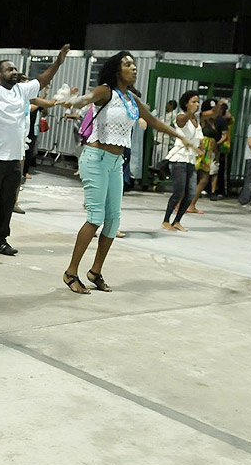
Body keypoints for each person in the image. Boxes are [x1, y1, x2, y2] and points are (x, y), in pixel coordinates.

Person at [60, 51, 196, 294]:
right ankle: (71, 272)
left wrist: (179, 136)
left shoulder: (131, 98)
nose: (133, 68)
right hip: (95, 159)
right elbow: (88, 97)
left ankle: (95, 271)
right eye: (127, 64)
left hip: (115, 162)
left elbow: (153, 121)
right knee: (95, 217)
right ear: (116, 69)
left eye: (134, 64)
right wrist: (76, 101)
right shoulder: (106, 91)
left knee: (113, 221)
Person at [0, 31, 69, 256]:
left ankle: (1, 240)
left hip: (13, 157)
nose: (15, 71)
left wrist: (58, 62)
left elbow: (43, 80)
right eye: (9, 69)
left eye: (15, 69)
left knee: (7, 203)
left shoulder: (21, 91)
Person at [161, 90, 201, 232]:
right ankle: (166, 220)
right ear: (186, 103)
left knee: (190, 193)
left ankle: (177, 220)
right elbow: (182, 122)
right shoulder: (180, 116)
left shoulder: (197, 120)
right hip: (179, 159)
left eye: (198, 101)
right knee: (178, 191)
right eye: (193, 101)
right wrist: (190, 112)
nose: (197, 104)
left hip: (191, 160)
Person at [186, 99, 220, 214]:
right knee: (191, 177)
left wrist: (216, 153)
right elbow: (213, 113)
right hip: (200, 149)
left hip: (208, 151)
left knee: (204, 179)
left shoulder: (214, 122)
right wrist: (219, 105)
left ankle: (191, 204)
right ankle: (183, 203)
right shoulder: (201, 117)